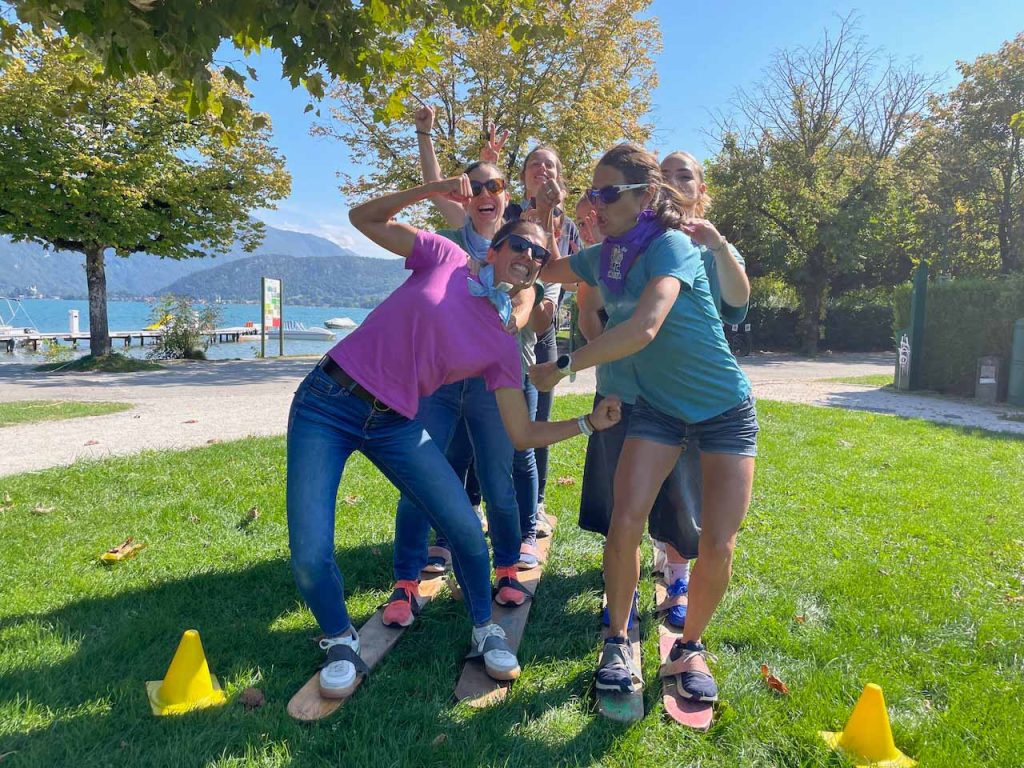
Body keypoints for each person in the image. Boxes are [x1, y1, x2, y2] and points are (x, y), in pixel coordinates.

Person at [286, 176, 622, 697]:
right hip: (326, 404)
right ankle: (338, 638)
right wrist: (431, 189)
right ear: (494, 247)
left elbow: (522, 431)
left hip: (394, 421)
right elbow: (363, 219)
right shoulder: (443, 254)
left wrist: (586, 424)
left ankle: (486, 628)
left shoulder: (501, 345)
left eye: (539, 254)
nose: (531, 256)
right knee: (309, 552)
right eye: (521, 245)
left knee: (465, 528)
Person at [530, 144, 757, 703]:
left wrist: (562, 366)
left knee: (718, 544)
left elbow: (645, 326)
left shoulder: (671, 246)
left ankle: (690, 647)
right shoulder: (605, 253)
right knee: (625, 521)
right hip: (657, 408)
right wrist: (504, 255)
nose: (596, 203)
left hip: (724, 411)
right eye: (592, 192)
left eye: (607, 193)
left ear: (645, 196)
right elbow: (543, 265)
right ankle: (615, 638)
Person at [575, 152, 751, 631]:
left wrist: (717, 248)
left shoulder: (686, 245)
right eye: (666, 173)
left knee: (693, 515)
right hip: (643, 395)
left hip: (712, 400)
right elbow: (578, 289)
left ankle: (681, 599)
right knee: (624, 517)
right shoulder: (617, 246)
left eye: (684, 174)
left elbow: (733, 306)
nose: (674, 182)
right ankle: (620, 614)